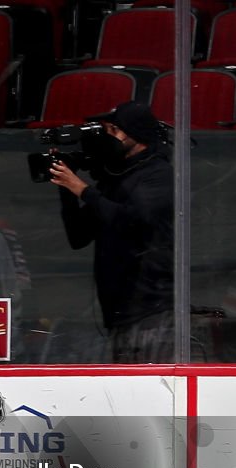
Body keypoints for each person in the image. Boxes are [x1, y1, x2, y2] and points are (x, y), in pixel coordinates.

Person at [48, 100, 174, 363]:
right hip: (118, 311)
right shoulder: (114, 178)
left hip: (151, 309)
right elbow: (78, 236)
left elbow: (132, 221)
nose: (107, 137)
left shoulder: (158, 174)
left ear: (136, 133)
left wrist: (82, 189)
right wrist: (65, 185)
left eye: (113, 130)